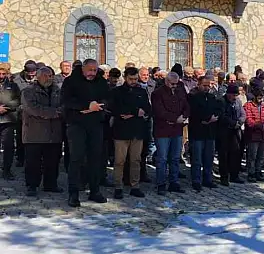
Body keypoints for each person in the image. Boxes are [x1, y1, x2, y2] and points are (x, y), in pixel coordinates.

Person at [62, 59, 110, 207]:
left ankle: (95, 190)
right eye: (90, 70)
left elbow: (108, 98)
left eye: (95, 70)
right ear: (83, 69)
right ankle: (73, 193)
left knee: (95, 158)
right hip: (76, 124)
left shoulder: (101, 82)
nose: (92, 73)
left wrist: (100, 106)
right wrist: (86, 106)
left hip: (95, 124)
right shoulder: (71, 81)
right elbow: (66, 101)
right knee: (76, 159)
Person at [109, 67, 151, 199]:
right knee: (119, 161)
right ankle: (118, 186)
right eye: (130, 79)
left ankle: (135, 185)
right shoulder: (117, 92)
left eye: (135, 79)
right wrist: (134, 112)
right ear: (125, 77)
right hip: (121, 131)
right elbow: (116, 108)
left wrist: (138, 114)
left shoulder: (141, 91)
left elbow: (147, 109)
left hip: (137, 131)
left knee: (136, 160)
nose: (133, 81)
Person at [22, 67, 63, 196]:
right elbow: (32, 109)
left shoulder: (58, 91)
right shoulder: (28, 91)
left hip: (54, 132)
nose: (48, 78)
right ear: (38, 77)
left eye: (50, 75)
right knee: (33, 162)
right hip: (34, 133)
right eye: (45, 76)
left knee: (52, 161)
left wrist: (55, 113)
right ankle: (32, 185)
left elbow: (64, 106)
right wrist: (53, 113)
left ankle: (50, 184)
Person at [151, 72, 190, 195]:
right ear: (166, 81)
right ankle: (161, 184)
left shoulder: (180, 91)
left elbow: (186, 105)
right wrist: (174, 118)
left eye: (176, 84)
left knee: (175, 158)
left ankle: (174, 182)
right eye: (172, 84)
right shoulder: (157, 93)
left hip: (177, 130)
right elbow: (159, 111)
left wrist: (184, 116)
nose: (174, 86)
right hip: (163, 130)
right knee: (162, 158)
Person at [187, 75, 221, 191]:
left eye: (208, 85)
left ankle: (208, 179)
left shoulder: (212, 97)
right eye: (204, 85)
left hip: (210, 132)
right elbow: (195, 112)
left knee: (209, 158)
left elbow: (218, 108)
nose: (207, 88)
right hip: (198, 132)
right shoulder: (193, 97)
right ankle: (196, 180)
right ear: (199, 85)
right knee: (197, 159)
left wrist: (214, 117)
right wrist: (206, 118)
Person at [219, 85, 246, 186]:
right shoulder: (221, 101)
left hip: (235, 131)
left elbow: (243, 114)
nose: (234, 97)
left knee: (236, 153)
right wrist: (233, 123)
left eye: (236, 95)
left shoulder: (238, 101)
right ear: (228, 94)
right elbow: (222, 116)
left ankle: (234, 175)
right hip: (224, 131)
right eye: (233, 95)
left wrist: (239, 122)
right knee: (224, 155)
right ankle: (224, 177)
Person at [244, 88, 264, 182]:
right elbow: (248, 120)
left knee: (260, 156)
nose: (261, 100)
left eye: (262, 98)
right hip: (253, 135)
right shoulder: (248, 105)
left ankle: (258, 172)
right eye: (259, 98)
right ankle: (251, 173)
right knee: (252, 155)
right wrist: (259, 125)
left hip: (262, 135)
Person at [14, 60, 37, 168]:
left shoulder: (39, 78)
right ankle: (20, 158)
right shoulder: (16, 80)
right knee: (20, 137)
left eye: (34, 72)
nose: (32, 75)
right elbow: (13, 96)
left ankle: (31, 160)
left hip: (35, 114)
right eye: (29, 72)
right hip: (21, 113)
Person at [0, 63, 20, 180]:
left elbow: (17, 100)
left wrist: (5, 107)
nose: (1, 76)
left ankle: (7, 170)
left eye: (3, 74)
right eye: (0, 73)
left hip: (8, 119)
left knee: (8, 147)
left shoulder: (13, 86)